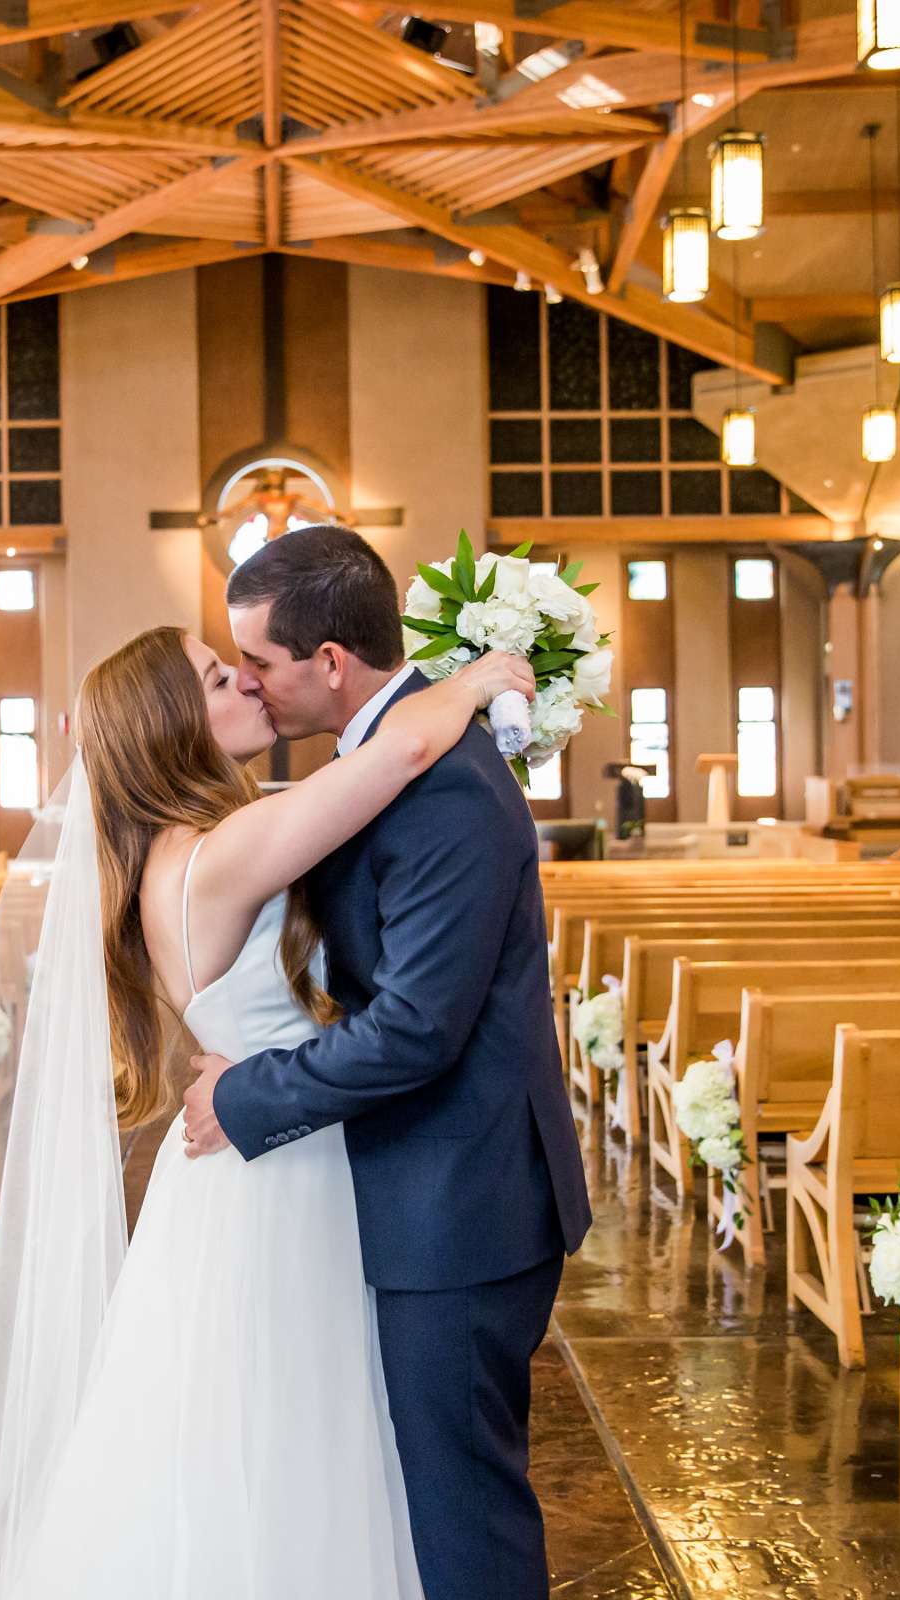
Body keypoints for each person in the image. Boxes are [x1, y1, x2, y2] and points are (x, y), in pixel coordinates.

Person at [0, 575, 546, 1598]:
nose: (250, 689)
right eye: (222, 678)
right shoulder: (216, 856)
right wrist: (480, 676)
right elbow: (400, 749)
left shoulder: (189, 844)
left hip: (259, 1150)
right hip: (278, 1167)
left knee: (261, 1435)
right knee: (287, 1438)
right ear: (176, 723)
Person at [185, 527, 593, 1600]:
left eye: (260, 663)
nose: (254, 686)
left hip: (465, 1198)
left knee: (463, 1503)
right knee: (424, 1484)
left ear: (329, 662)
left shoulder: (442, 784)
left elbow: (417, 1025)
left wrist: (245, 1092)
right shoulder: (386, 757)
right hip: (419, 1181)